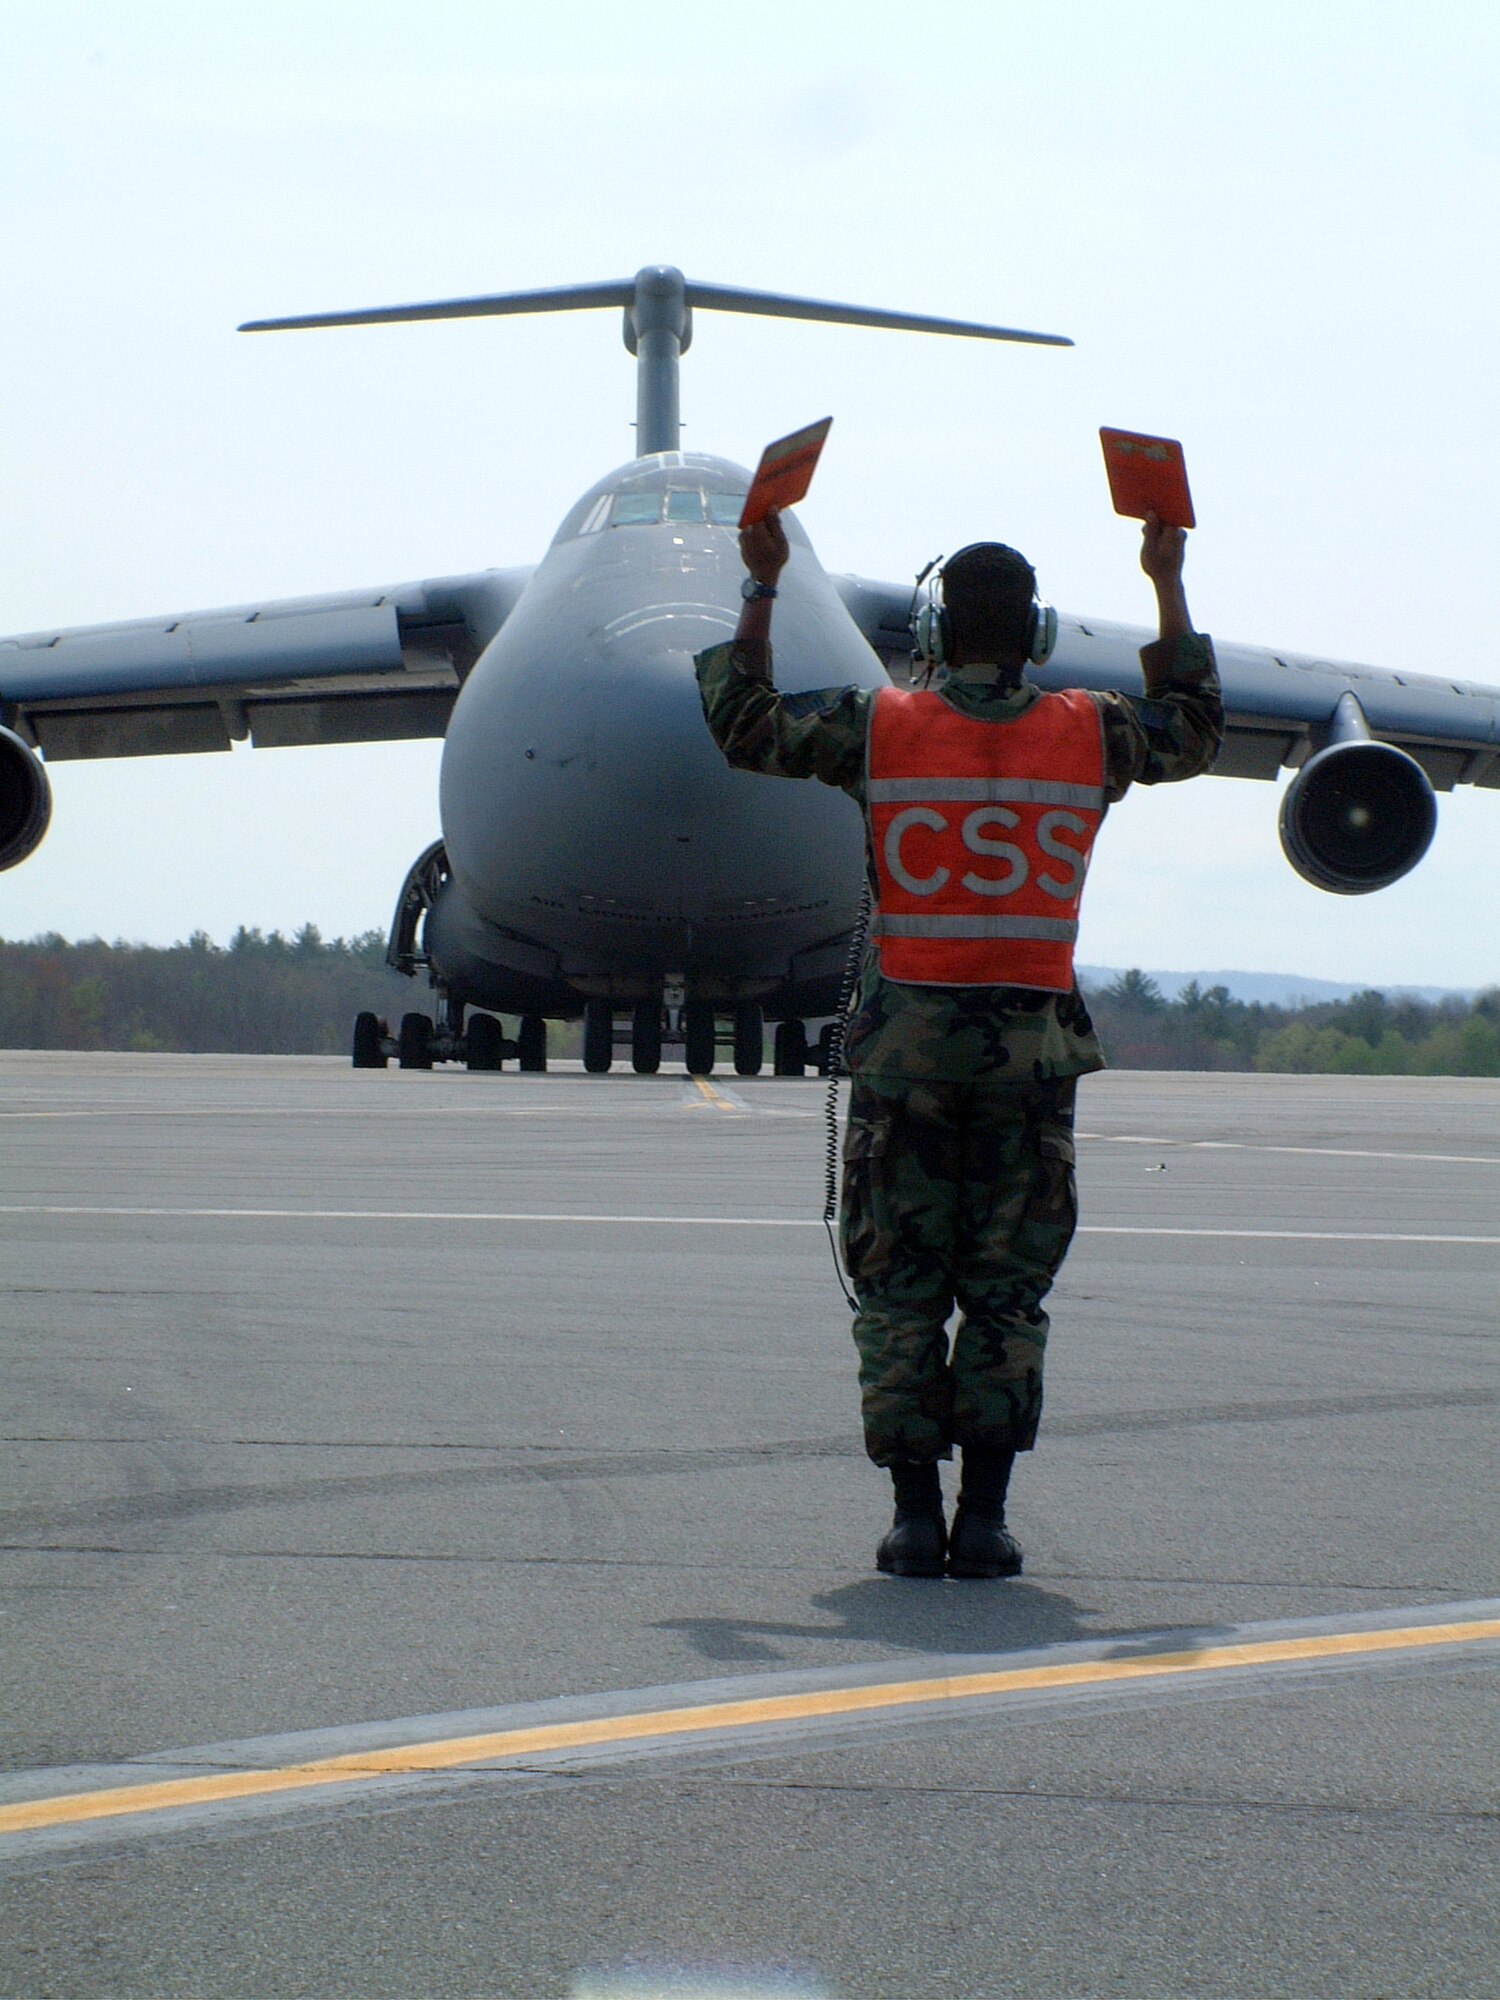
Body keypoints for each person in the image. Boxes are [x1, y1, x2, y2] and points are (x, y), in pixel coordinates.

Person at [695, 512, 1222, 1578]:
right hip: (1030, 1064)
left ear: (939, 629)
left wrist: (760, 589)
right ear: (1033, 632)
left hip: (905, 1063)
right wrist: (1166, 582)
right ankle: (983, 1519)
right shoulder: (1092, 729)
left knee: (899, 1289)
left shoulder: (880, 726)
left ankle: (908, 1515)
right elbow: (1195, 725)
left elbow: (742, 723)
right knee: (1006, 1291)